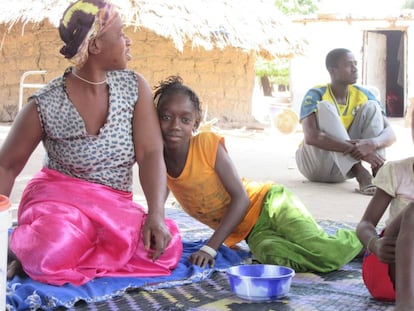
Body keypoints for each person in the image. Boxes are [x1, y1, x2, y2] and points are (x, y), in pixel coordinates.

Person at [2, 0, 182, 286]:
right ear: (96, 45)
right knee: (55, 243)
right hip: (60, 205)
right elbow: (6, 166)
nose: (128, 40)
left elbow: (150, 153)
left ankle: (63, 255)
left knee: (164, 247)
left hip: (113, 209)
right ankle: (23, 246)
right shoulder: (47, 103)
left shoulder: (134, 87)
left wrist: (156, 215)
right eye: (122, 34)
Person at [154, 75, 362, 272]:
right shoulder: (157, 161)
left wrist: (210, 247)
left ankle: (362, 239)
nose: (175, 126)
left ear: (196, 122)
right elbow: (157, 206)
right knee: (272, 256)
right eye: (166, 117)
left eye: (185, 119)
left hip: (271, 203)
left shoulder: (207, 144)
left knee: (323, 252)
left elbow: (242, 199)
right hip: (252, 232)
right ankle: (335, 249)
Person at [295, 48, 396, 196]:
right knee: (324, 107)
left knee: (372, 107)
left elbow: (391, 134)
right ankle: (360, 172)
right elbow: (311, 137)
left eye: (355, 64)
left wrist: (371, 144)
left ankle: (378, 172)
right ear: (332, 70)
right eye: (349, 65)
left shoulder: (365, 94)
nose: (355, 69)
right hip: (314, 164)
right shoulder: (316, 94)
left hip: (341, 170)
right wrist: (361, 153)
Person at [356, 109, 414, 310]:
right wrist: (374, 244)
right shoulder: (397, 171)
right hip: (390, 269)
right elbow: (365, 223)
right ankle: (406, 306)